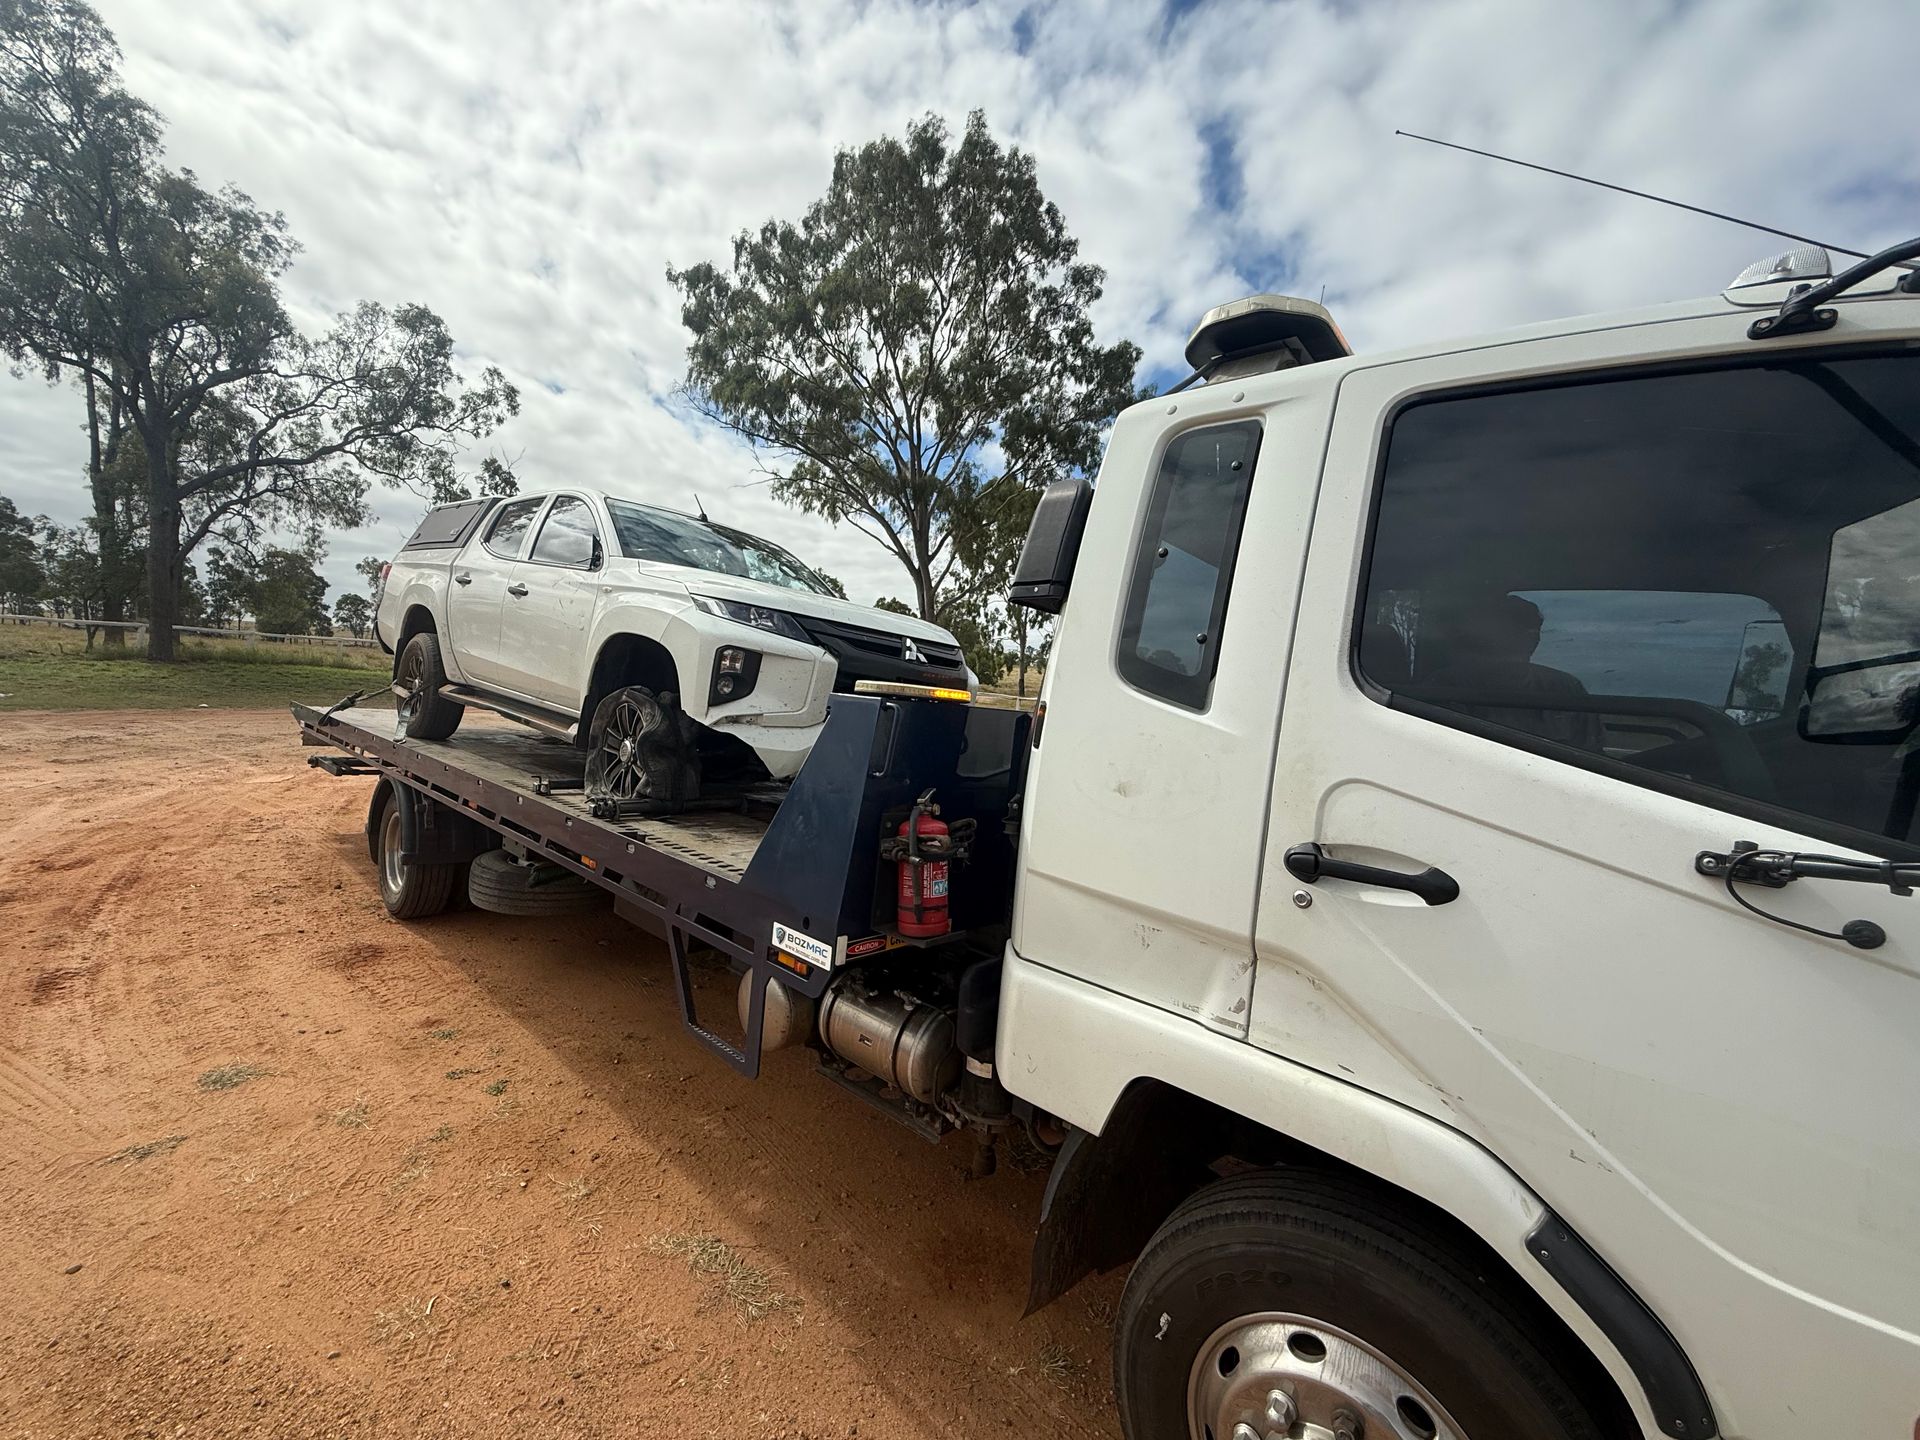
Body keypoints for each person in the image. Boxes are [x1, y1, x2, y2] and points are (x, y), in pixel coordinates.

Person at [1420, 594, 1603, 750]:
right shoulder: (1446, 687)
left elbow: (1591, 755)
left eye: (1535, 629)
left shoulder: (1566, 688)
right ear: (1492, 633)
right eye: (1521, 628)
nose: (1532, 635)